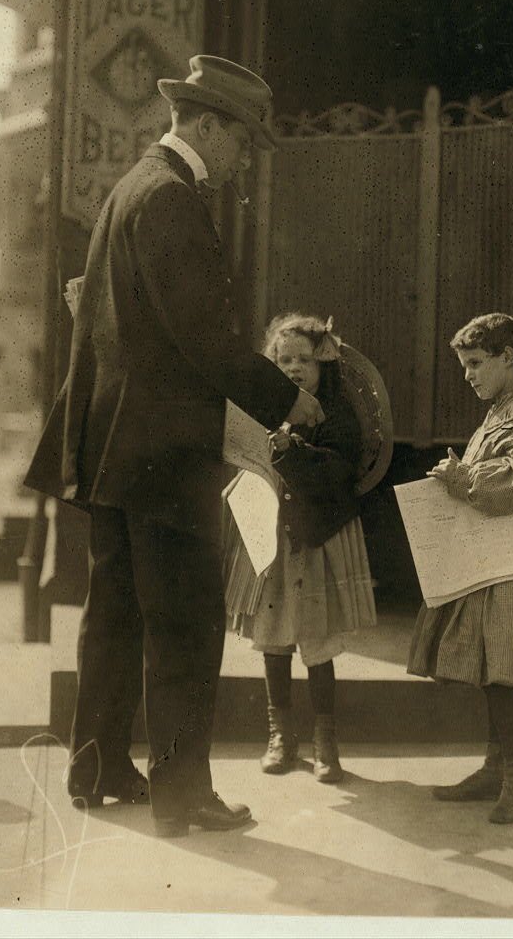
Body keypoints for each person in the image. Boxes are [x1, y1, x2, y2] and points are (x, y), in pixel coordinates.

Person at [24, 56, 324, 838]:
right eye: (242, 141)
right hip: (163, 454)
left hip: (113, 447)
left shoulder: (131, 188)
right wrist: (287, 397)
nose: (243, 159)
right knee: (186, 623)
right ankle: (182, 795)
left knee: (114, 613)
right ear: (206, 125)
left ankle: (96, 769)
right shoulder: (173, 201)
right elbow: (204, 340)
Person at [407, 312, 513, 824]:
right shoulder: (502, 409)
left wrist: (462, 478)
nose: (468, 375)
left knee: (500, 672)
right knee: (490, 668)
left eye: (476, 363)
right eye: (464, 365)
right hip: (492, 562)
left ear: (507, 358)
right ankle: (496, 767)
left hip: (511, 568)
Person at [225, 313, 383, 783]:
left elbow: (337, 471)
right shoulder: (263, 412)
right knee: (273, 636)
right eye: (283, 358)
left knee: (317, 641)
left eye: (305, 360)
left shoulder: (335, 415)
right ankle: (280, 735)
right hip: (272, 537)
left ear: (324, 366)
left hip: (317, 538)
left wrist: (292, 451)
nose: (294, 368)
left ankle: (325, 740)